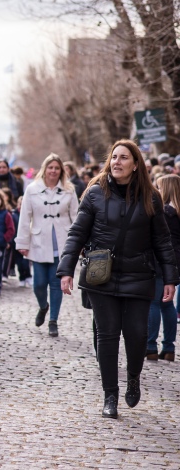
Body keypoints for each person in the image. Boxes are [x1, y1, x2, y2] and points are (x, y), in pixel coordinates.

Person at [57, 139, 178, 419]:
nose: (117, 162)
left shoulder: (151, 197)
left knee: (136, 334)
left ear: (136, 164)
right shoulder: (95, 193)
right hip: (102, 276)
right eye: (114, 157)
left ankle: (133, 377)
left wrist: (170, 277)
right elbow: (77, 234)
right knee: (107, 336)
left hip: (139, 275)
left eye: (124, 158)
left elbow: (162, 240)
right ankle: (109, 395)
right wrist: (66, 269)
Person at [15, 153, 79, 337]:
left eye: (56, 168)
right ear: (45, 169)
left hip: (62, 241)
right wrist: (22, 242)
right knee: (39, 284)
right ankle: (43, 306)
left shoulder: (69, 190)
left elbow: (76, 217)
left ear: (61, 171)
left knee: (56, 283)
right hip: (39, 242)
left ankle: (53, 320)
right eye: (50, 167)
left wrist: (78, 243)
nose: (53, 171)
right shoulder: (32, 189)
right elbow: (25, 217)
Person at [147, 174, 180, 362]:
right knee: (168, 305)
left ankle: (150, 345)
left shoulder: (166, 212)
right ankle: (169, 347)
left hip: (161, 261)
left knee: (154, 302)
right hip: (175, 262)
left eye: (158, 187)